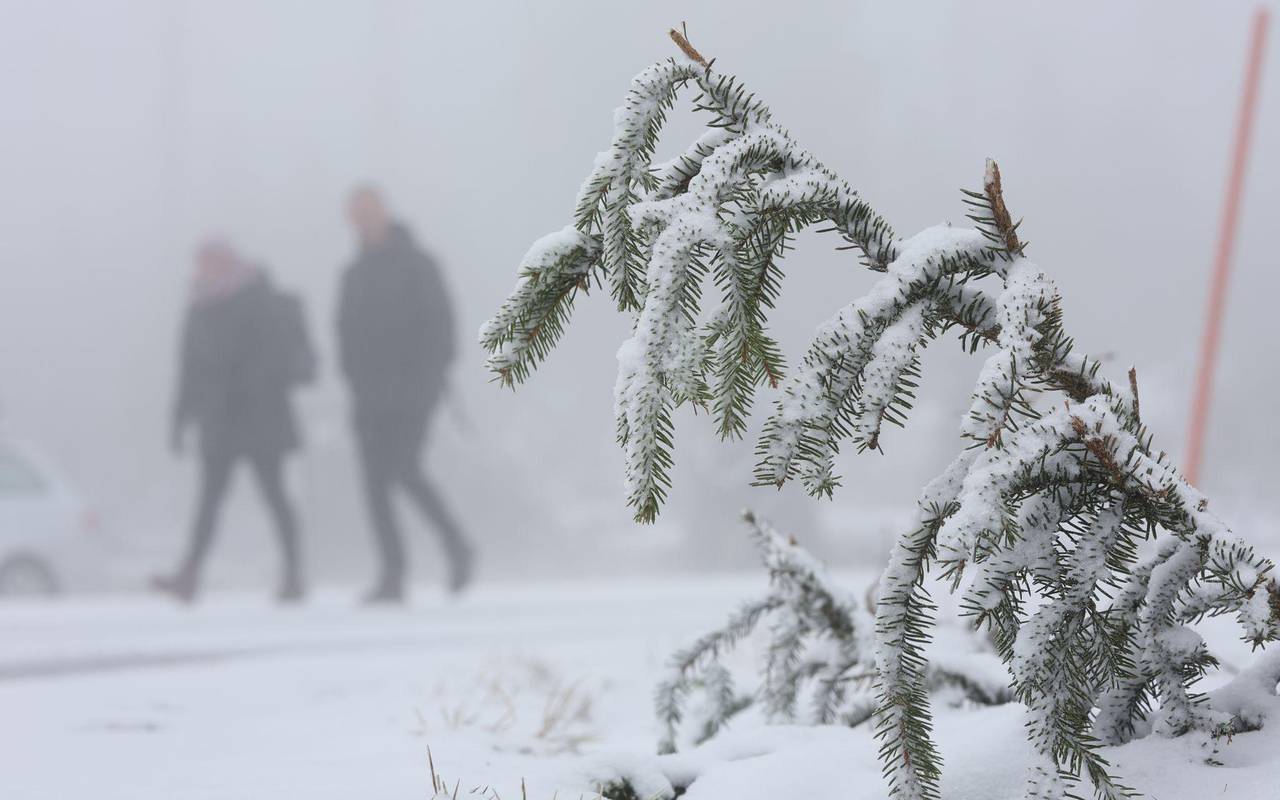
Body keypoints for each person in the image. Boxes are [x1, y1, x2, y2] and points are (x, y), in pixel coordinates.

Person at [155, 238, 315, 603]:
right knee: (209, 501)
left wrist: (244, 385)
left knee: (274, 496)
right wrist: (180, 419)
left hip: (260, 416)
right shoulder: (198, 307)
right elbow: (189, 368)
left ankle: (293, 572)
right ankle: (190, 574)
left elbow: (273, 356)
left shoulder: (259, 298)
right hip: (219, 420)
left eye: (210, 261)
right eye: (201, 262)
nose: (203, 269)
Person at [337, 185, 472, 603]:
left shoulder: (418, 265)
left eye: (369, 211)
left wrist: (428, 381)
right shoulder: (353, 273)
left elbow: (442, 327)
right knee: (374, 485)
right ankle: (393, 574)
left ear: (384, 213)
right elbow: (343, 333)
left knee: (403, 470)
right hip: (368, 396)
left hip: (413, 393)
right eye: (356, 214)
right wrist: (355, 380)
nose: (363, 220)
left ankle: (456, 544)